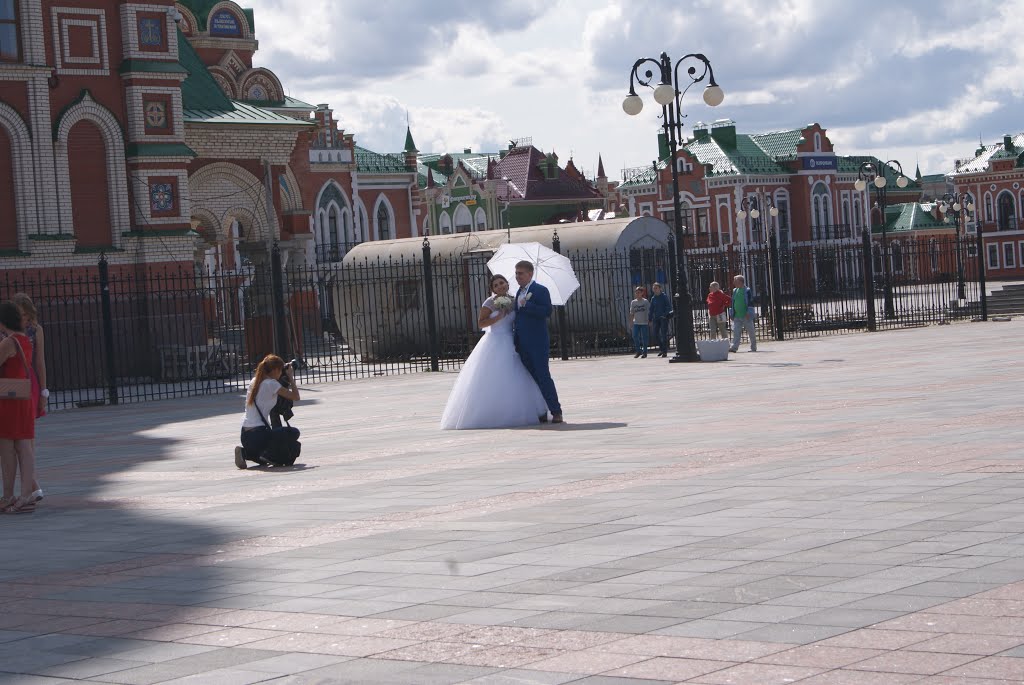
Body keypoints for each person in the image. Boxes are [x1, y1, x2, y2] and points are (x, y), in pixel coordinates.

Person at [440, 274, 548, 430]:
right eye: (496, 285)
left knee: (519, 374)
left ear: (507, 284)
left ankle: (532, 410)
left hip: (511, 341)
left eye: (502, 283)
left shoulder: (514, 300)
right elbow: (481, 323)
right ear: (492, 289)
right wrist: (498, 317)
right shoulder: (489, 303)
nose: (500, 286)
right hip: (494, 341)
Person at [513, 260, 563, 424]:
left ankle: (556, 410)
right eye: (516, 273)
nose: (517, 276)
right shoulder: (518, 292)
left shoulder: (540, 290)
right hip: (522, 343)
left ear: (529, 274)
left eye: (520, 273)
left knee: (543, 376)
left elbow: (547, 311)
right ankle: (540, 410)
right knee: (531, 378)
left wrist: (527, 304)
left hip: (537, 342)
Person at [0, 301, 38, 514]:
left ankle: (8, 495)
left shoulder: (8, 342)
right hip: (22, 397)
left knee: (7, 447)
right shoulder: (24, 339)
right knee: (23, 446)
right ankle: (25, 494)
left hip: (7, 400)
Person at [236, 354, 301, 469]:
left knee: (261, 455)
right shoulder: (271, 384)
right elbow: (296, 396)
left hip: (245, 436)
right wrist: (290, 376)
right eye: (281, 370)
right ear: (275, 370)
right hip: (259, 435)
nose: (282, 373)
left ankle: (245, 452)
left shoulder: (254, 381)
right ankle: (270, 454)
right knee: (294, 432)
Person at [11, 293, 45, 502]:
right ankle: (31, 485)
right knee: (14, 438)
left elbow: (40, 362)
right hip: (10, 382)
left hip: (29, 382)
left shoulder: (35, 330)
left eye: (26, 315)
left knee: (27, 436)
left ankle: (31, 484)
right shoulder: (5, 331)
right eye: (19, 315)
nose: (23, 319)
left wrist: (44, 391)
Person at [729, 275, 758, 353]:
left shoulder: (747, 290)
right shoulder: (735, 290)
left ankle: (753, 347)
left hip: (746, 315)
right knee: (736, 332)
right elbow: (732, 302)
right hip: (737, 315)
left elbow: (750, 301)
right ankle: (734, 347)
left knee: (751, 332)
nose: (734, 283)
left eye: (735, 281)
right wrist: (731, 313)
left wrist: (749, 312)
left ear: (740, 282)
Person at [649, 282, 672, 357]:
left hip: (663, 318)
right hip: (656, 318)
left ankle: (664, 351)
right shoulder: (653, 298)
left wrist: (664, 314)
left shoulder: (664, 296)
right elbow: (651, 309)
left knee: (663, 334)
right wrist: (650, 319)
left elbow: (668, 307)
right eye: (654, 288)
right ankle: (662, 349)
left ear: (660, 289)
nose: (655, 290)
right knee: (655, 334)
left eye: (656, 288)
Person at [629, 286, 651, 358]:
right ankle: (638, 351)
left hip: (644, 322)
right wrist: (631, 321)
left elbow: (648, 311)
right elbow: (632, 312)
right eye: (636, 293)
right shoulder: (633, 302)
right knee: (635, 336)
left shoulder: (645, 301)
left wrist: (649, 320)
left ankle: (645, 352)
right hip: (636, 322)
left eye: (639, 292)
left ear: (642, 293)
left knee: (644, 337)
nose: (637, 294)